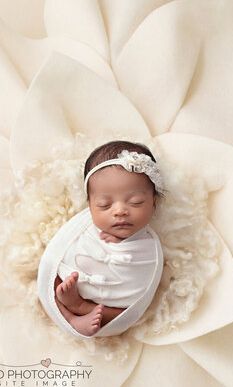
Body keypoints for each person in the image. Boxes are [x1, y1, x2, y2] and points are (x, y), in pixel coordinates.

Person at [48, 141, 164, 337]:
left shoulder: (149, 248)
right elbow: (56, 252)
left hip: (112, 307)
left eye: (135, 202)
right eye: (104, 205)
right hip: (72, 284)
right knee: (51, 277)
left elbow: (142, 288)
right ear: (90, 205)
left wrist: (122, 245)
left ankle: (80, 307)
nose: (119, 211)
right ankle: (71, 318)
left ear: (153, 203)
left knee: (127, 313)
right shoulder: (83, 228)